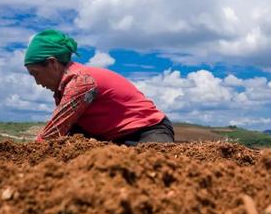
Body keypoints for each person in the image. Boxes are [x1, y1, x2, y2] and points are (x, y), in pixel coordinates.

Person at [24, 29, 174, 145]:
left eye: (35, 73)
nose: (37, 82)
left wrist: (24, 159)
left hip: (147, 131)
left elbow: (53, 133)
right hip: (113, 138)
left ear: (52, 63)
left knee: (157, 170)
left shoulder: (81, 81)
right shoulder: (65, 88)